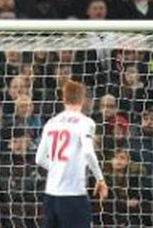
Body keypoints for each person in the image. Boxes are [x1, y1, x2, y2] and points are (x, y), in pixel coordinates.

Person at [35, 80, 108, 228]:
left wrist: (59, 167)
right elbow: (88, 152)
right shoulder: (86, 122)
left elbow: (39, 159)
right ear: (82, 99)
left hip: (51, 196)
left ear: (63, 99)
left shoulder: (51, 123)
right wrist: (100, 179)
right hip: (73, 196)